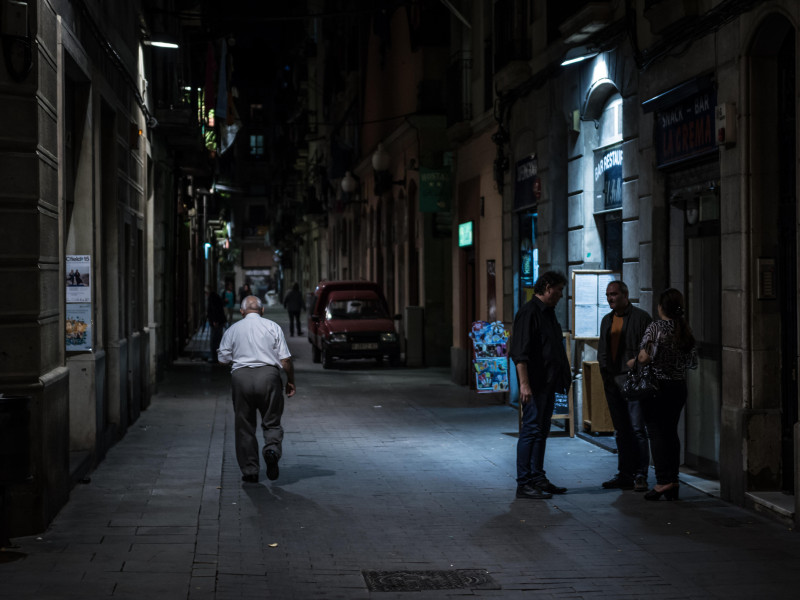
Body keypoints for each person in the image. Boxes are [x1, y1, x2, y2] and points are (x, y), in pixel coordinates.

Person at [217, 295, 296, 483]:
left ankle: (250, 470)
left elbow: (222, 359)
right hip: (269, 377)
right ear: (262, 310)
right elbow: (285, 360)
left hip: (241, 378)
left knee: (244, 425)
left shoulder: (233, 330)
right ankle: (271, 450)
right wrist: (290, 381)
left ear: (242, 311)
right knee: (272, 421)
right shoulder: (272, 327)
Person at [629, 288, 697, 501]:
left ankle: (662, 482)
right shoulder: (684, 329)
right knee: (671, 432)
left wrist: (633, 361)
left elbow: (644, 357)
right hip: (678, 387)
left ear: (661, 307)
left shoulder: (656, 327)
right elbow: (692, 363)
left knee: (656, 434)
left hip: (657, 388)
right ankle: (673, 480)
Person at [509, 271, 572, 500]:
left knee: (542, 431)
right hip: (535, 384)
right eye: (559, 290)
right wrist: (524, 385)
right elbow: (520, 354)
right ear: (547, 287)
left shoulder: (548, 313)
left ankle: (537, 477)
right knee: (531, 430)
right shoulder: (529, 313)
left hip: (549, 383)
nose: (561, 295)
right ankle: (524, 483)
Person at [597, 280, 653, 492]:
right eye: (607, 295)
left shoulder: (640, 318)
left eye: (613, 294)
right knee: (621, 430)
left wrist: (636, 366)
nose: (610, 298)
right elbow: (603, 349)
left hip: (633, 382)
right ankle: (625, 473)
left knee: (638, 429)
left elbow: (649, 350)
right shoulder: (607, 320)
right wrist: (605, 374)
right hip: (612, 382)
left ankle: (640, 474)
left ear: (625, 295)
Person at [206, 285, 226, 363]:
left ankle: (214, 357)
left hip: (216, 322)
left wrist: (215, 321)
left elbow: (214, 309)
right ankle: (217, 357)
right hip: (219, 321)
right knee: (217, 339)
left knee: (214, 339)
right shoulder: (215, 296)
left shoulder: (212, 297)